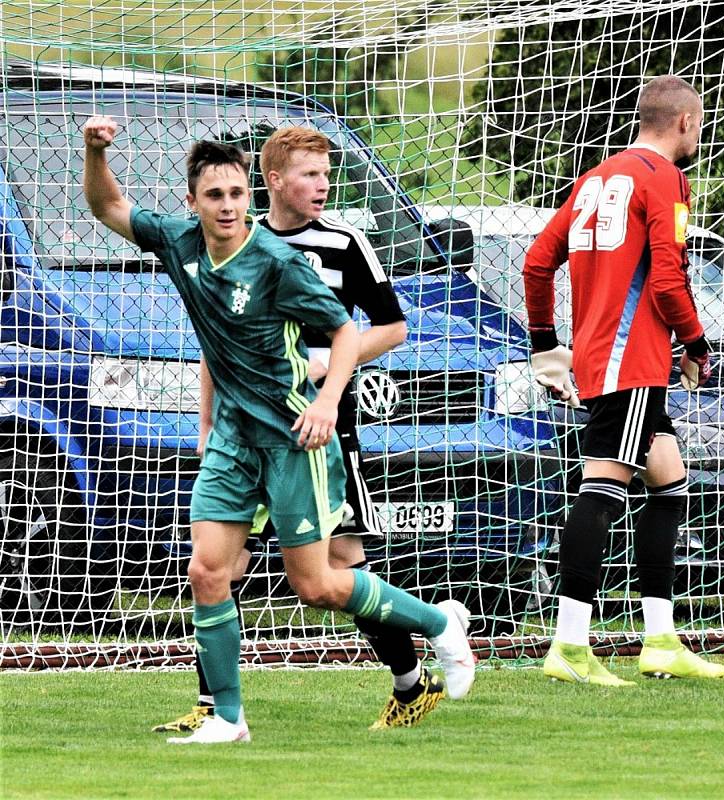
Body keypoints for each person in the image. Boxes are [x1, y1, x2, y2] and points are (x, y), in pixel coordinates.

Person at [82, 117, 475, 745]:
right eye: (215, 195)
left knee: (317, 584)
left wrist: (326, 402)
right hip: (234, 441)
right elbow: (108, 206)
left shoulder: (279, 262)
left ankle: (437, 627)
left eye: (236, 194)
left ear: (249, 194)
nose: (229, 205)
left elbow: (350, 332)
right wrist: (95, 150)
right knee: (209, 572)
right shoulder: (181, 243)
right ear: (193, 203)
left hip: (296, 438)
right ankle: (227, 719)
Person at [522, 75, 724, 685]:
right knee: (603, 490)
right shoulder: (666, 179)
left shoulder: (596, 176)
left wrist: (545, 346)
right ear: (685, 123)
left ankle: (661, 639)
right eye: (699, 126)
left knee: (668, 481)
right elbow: (668, 281)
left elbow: (537, 263)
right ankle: (569, 647)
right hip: (629, 361)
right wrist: (696, 345)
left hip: (603, 358)